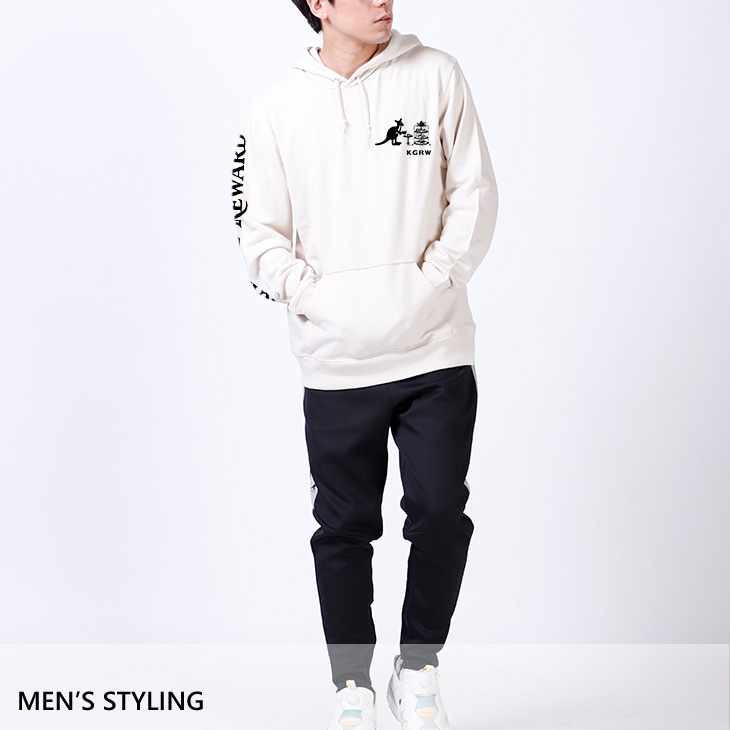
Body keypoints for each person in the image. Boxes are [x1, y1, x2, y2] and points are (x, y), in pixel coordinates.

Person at [231, 1, 498, 727]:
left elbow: (474, 194)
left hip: (435, 349)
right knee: (344, 527)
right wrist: (315, 298)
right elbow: (258, 233)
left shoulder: (437, 75)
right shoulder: (275, 107)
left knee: (439, 512)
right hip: (336, 362)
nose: (384, 0)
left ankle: (418, 670)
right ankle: (352, 687)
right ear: (318, 4)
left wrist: (432, 284)